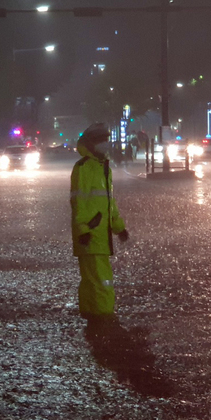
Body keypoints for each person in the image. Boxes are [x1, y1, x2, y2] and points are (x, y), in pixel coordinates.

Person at [71, 123, 129, 324]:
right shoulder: (84, 168)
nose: (105, 144)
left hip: (98, 235)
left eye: (106, 139)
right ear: (92, 143)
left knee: (91, 279)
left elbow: (108, 203)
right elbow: (78, 202)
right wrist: (83, 230)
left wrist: (118, 227)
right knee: (102, 280)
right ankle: (104, 317)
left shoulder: (104, 167)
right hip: (91, 234)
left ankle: (91, 314)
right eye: (101, 140)